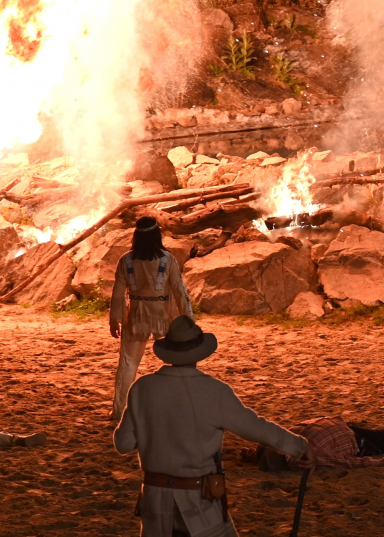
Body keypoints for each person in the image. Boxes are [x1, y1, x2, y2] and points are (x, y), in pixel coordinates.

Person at [114, 315, 311, 537]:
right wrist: (300, 447)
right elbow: (257, 428)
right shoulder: (215, 391)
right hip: (198, 500)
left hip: (154, 499)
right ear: (200, 352)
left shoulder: (141, 388)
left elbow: (123, 444)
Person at [110, 217, 193, 422]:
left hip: (135, 318)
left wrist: (114, 319)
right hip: (163, 317)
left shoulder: (126, 260)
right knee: (173, 362)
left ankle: (120, 411)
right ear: (158, 235)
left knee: (128, 363)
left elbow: (118, 294)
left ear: (136, 236)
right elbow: (179, 291)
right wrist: (188, 319)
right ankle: (177, 407)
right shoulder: (168, 259)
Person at [258, 416, 384, 470]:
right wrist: (379, 462)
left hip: (337, 428)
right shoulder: (307, 454)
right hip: (351, 440)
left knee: (381, 436)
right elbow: (344, 461)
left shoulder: (285, 441)